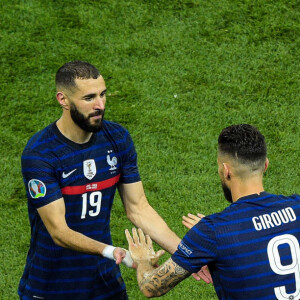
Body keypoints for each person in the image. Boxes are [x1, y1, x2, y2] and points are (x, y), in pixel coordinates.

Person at [18, 61, 186, 300]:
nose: (100, 105)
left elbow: (139, 209)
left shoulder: (117, 138)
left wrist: (186, 254)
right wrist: (111, 251)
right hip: (52, 287)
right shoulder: (41, 154)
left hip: (105, 284)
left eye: (103, 94)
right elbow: (59, 231)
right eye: (89, 98)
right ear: (63, 100)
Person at [125, 124, 300, 299]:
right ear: (266, 165)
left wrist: (142, 261)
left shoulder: (213, 231)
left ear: (226, 170)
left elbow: (151, 287)